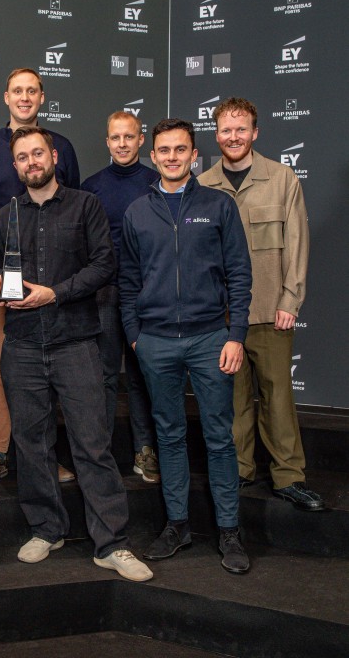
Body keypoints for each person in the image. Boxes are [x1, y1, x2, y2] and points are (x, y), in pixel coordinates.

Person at [0, 126, 152, 582]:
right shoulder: (6, 215)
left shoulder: (85, 205)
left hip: (77, 343)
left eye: (38, 153)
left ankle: (111, 543)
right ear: (16, 166)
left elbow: (104, 265)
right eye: (23, 157)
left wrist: (54, 293)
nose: (31, 162)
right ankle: (47, 529)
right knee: (31, 444)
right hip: (22, 345)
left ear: (54, 156)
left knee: (92, 445)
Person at [120, 118, 252, 574]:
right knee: (170, 437)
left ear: (194, 156)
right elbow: (128, 280)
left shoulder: (219, 205)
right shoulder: (137, 212)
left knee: (219, 438)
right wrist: (136, 336)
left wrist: (235, 336)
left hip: (211, 338)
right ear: (152, 156)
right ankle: (177, 525)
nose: (172, 157)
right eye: (164, 150)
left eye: (181, 149)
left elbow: (239, 274)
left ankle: (230, 531)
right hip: (156, 342)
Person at [199, 97, 324, 511]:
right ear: (216, 134)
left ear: (255, 132)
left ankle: (289, 476)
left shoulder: (282, 179)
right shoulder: (203, 186)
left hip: (272, 311)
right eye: (226, 130)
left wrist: (291, 299)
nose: (233, 137)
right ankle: (238, 469)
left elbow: (297, 244)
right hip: (222, 317)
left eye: (241, 129)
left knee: (278, 398)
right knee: (231, 400)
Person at [0, 68, 80, 487]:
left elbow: (72, 207)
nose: (25, 97)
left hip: (53, 283)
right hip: (0, 283)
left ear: (42, 97)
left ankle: (45, 457)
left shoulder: (61, 146)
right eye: (18, 90)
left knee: (51, 369)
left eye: (32, 90)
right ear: (6, 97)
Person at [81, 111, 160, 480]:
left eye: (130, 137)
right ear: (107, 142)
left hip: (150, 294)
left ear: (141, 140)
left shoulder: (158, 181)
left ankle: (146, 450)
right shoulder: (92, 187)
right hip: (106, 294)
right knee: (106, 375)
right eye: (116, 137)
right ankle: (103, 453)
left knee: (144, 374)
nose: (123, 144)